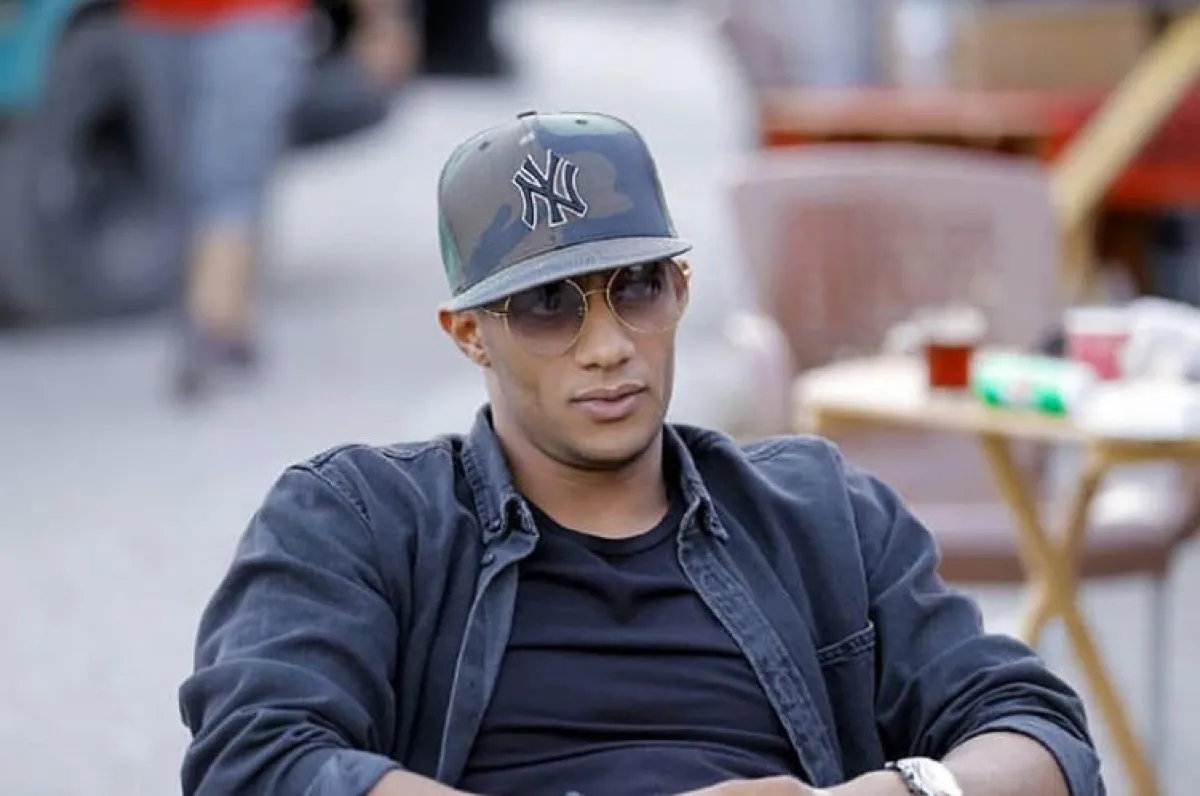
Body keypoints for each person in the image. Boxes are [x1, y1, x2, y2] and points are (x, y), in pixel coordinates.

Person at [179, 111, 1105, 796]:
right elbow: (251, 758)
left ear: (682, 291)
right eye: (548, 306)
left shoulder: (819, 512)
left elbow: (1040, 733)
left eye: (636, 287)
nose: (608, 344)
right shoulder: (360, 518)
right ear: (468, 334)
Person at [123, 0, 416, 400]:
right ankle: (234, 323)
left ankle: (210, 324)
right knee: (182, 177)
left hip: (254, 15)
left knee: (228, 175)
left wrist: (382, 19)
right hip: (155, 17)